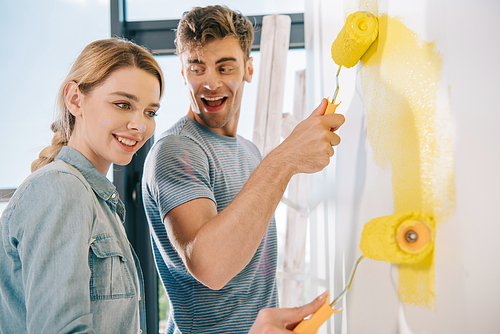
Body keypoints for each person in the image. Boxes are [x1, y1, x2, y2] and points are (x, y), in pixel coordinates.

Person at [142, 5, 345, 333]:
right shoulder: (176, 150)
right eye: (197, 68)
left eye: (225, 67)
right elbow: (212, 266)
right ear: (182, 73)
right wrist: (286, 158)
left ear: (248, 69)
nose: (210, 83)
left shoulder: (250, 151)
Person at [0, 37, 164, 333]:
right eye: (123, 104)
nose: (140, 126)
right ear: (75, 99)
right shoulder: (60, 189)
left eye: (150, 112)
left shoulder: (97, 200)